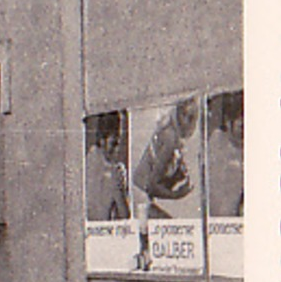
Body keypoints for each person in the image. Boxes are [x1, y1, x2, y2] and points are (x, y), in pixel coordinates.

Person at [131, 97, 199, 271]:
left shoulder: (170, 135)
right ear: (179, 116)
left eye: (194, 118)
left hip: (142, 195)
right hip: (141, 196)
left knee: (164, 233)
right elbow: (152, 185)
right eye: (188, 118)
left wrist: (176, 177)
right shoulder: (170, 138)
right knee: (170, 231)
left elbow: (158, 178)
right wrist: (177, 194)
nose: (191, 124)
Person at [83, 114, 129, 221]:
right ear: (102, 140)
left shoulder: (85, 162)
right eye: (115, 143)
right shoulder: (114, 171)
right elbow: (125, 216)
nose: (117, 150)